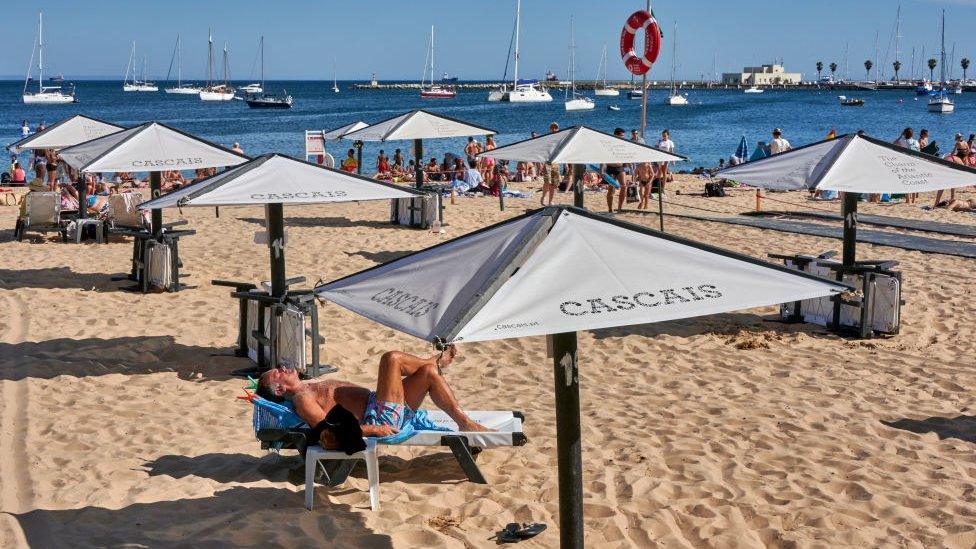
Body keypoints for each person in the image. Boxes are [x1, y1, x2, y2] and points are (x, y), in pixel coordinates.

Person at [257, 349, 491, 450]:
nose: (282, 368)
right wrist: (372, 429)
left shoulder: (307, 387)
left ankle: (462, 419)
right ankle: (436, 363)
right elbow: (326, 431)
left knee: (427, 375)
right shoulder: (301, 399)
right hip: (379, 415)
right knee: (391, 359)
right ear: (279, 390)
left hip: (381, 405)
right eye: (277, 372)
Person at [600, 128, 629, 213]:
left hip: (620, 168)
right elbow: (603, 157)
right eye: (621, 136)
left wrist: (629, 167)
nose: (623, 137)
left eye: (623, 136)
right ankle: (610, 209)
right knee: (611, 189)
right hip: (610, 168)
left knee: (624, 187)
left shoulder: (623, 144)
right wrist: (602, 170)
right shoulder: (609, 144)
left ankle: (619, 208)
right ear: (615, 135)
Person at [540, 122, 561, 206]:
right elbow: (543, 152)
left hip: (556, 163)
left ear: (558, 129)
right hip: (547, 162)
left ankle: (551, 200)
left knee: (554, 183)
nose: (554, 129)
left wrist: (565, 164)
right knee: (547, 182)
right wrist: (541, 163)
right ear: (550, 129)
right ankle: (543, 197)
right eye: (552, 127)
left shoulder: (560, 139)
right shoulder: (547, 138)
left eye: (555, 128)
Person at [652, 128, 675, 199]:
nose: (664, 137)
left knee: (664, 173)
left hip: (666, 159)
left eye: (665, 135)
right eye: (663, 135)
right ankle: (657, 187)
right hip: (660, 158)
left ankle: (663, 188)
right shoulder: (660, 142)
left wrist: (673, 160)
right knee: (658, 173)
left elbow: (671, 151)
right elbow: (656, 149)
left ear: (668, 135)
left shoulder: (670, 142)